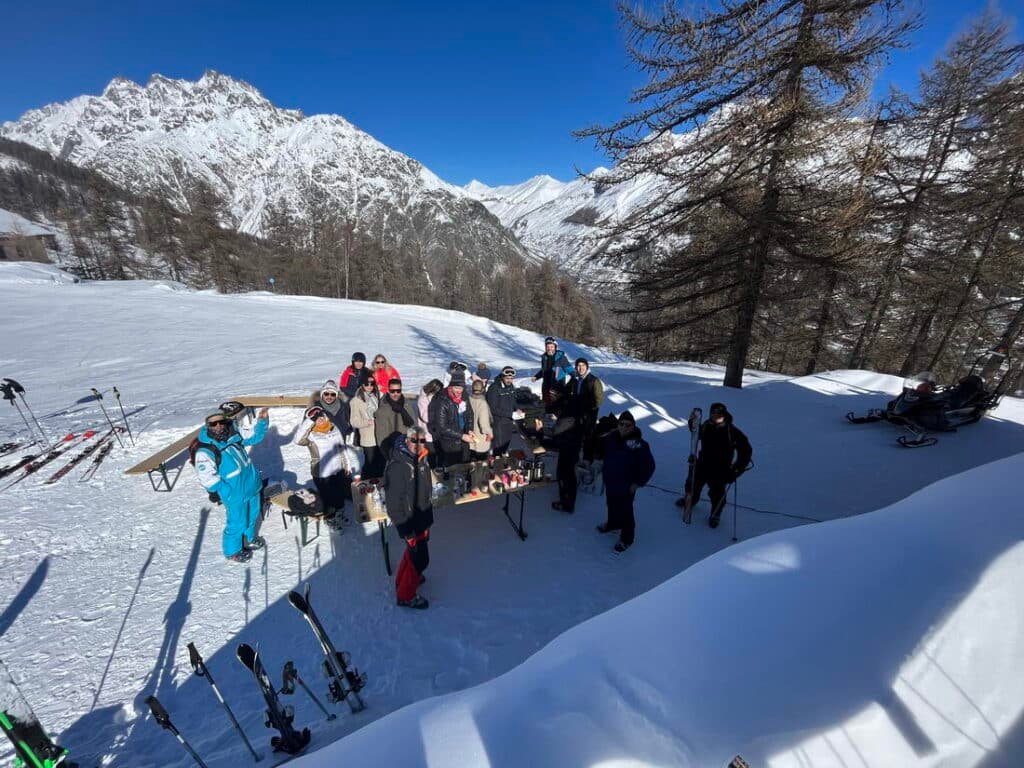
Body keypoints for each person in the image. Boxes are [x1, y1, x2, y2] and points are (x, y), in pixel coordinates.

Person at [192, 407, 270, 563]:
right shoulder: (205, 450)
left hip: (252, 486)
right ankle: (232, 551)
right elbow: (207, 478)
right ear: (208, 425)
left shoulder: (234, 434)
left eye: (221, 422)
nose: (219, 426)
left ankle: (249, 538)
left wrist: (262, 421)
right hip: (234, 494)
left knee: (253, 515)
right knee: (237, 522)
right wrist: (225, 490)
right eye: (214, 424)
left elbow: (255, 437)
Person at [383, 426, 434, 609]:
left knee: (414, 556)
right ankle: (405, 596)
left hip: (421, 517)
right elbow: (393, 504)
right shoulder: (399, 466)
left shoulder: (420, 460)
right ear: (406, 441)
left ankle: (405, 579)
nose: (418, 445)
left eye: (422, 441)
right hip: (410, 522)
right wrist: (406, 530)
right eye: (414, 440)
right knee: (420, 559)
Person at [685, 402, 752, 528]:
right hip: (703, 462)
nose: (716, 416)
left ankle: (715, 513)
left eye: (719, 414)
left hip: (721, 468)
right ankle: (690, 501)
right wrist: (693, 424)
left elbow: (746, 450)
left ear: (724, 414)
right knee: (692, 483)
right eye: (713, 413)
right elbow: (697, 435)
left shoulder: (731, 431)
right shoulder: (706, 425)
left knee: (717, 493)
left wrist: (737, 469)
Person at [597, 411, 656, 552]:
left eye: (628, 425)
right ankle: (613, 524)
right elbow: (603, 450)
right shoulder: (611, 437)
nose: (624, 427)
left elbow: (649, 466)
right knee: (611, 504)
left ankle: (627, 539)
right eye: (621, 424)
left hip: (626, 485)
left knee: (625, 511)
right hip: (611, 480)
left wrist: (638, 482)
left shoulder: (637, 444)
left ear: (633, 426)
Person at [295, 405, 362, 524]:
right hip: (321, 472)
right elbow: (297, 440)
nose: (319, 419)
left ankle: (339, 513)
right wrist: (309, 421)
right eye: (315, 418)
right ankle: (331, 520)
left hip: (337, 469)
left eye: (320, 415)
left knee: (339, 494)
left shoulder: (333, 427)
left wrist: (346, 465)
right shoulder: (310, 435)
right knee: (328, 499)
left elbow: (342, 447)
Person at [429, 370, 476, 467]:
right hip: (450, 442)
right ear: (451, 386)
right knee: (453, 468)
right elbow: (441, 427)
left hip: (464, 438)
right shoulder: (442, 400)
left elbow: (470, 414)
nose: (459, 391)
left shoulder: (464, 396)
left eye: (461, 388)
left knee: (465, 465)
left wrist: (470, 429)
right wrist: (461, 435)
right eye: (456, 387)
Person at [569, 358, 604, 460]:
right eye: (578, 366)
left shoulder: (594, 380)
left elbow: (599, 400)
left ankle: (587, 460)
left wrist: (589, 409)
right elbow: (568, 390)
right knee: (577, 436)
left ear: (587, 367)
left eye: (583, 365)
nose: (580, 368)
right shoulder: (575, 379)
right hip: (576, 413)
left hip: (589, 414)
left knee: (588, 438)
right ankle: (575, 458)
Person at [350, 370, 383, 477]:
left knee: (380, 463)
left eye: (372, 384)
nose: (369, 386)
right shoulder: (356, 400)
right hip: (368, 437)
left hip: (379, 435)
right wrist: (367, 422)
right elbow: (354, 421)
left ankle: (378, 484)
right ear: (362, 384)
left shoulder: (376, 397)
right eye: (366, 384)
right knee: (370, 464)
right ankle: (364, 485)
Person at [375, 378, 416, 459]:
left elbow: (413, 425)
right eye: (392, 391)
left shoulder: (406, 404)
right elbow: (381, 436)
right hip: (392, 450)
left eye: (398, 391)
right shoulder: (383, 408)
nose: (395, 394)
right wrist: (388, 455)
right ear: (388, 390)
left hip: (407, 448)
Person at [486, 366, 522, 456]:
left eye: (511, 378)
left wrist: (517, 409)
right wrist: (511, 414)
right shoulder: (494, 388)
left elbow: (513, 401)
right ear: (502, 377)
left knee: (506, 446)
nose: (509, 380)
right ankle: (496, 465)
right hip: (498, 422)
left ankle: (502, 466)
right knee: (498, 448)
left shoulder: (511, 387)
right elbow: (493, 409)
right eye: (507, 378)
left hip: (508, 421)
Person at [533, 336, 574, 409]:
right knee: (546, 406)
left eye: (552, 347)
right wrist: (536, 376)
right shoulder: (544, 358)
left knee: (557, 407)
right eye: (548, 347)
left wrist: (576, 377)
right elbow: (544, 370)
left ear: (555, 347)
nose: (549, 349)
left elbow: (570, 370)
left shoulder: (561, 358)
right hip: (546, 386)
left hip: (557, 387)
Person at [309, 379, 353, 444]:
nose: (329, 397)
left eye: (332, 394)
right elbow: (306, 428)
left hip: (341, 440)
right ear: (322, 394)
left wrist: (348, 431)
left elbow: (349, 420)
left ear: (336, 395)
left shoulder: (343, 405)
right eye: (326, 394)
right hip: (322, 443)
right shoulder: (314, 408)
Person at [417, 379, 443, 466]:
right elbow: (425, 417)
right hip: (427, 431)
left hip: (436, 431)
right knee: (431, 453)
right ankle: (432, 470)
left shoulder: (435, 397)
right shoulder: (423, 399)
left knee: (438, 452)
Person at [468, 379, 493, 460]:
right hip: (480, 437)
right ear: (483, 389)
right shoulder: (482, 403)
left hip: (469, 435)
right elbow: (484, 423)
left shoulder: (468, 399)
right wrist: (489, 433)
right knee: (480, 462)